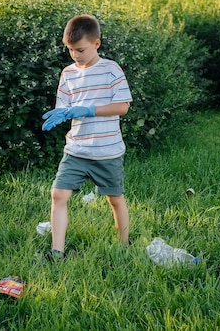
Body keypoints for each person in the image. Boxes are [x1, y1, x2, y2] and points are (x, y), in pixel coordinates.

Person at [42, 14, 132, 260]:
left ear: (96, 44)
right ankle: (57, 252)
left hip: (107, 150)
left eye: (80, 49)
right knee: (58, 194)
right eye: (70, 50)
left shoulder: (111, 69)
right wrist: (62, 114)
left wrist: (89, 110)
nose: (75, 55)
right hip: (76, 150)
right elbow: (64, 105)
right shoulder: (68, 73)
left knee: (115, 199)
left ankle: (124, 246)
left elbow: (123, 106)